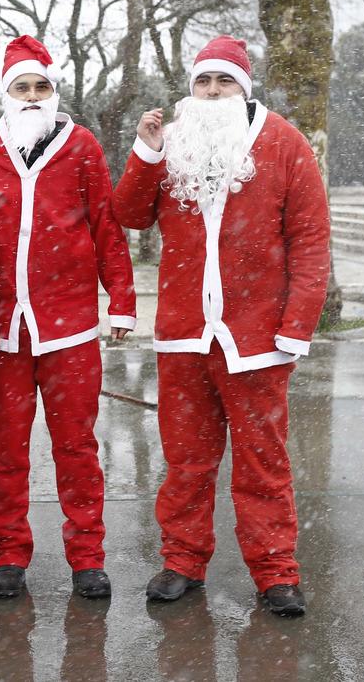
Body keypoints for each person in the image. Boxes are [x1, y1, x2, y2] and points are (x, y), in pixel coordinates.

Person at [112, 35, 331, 616]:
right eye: (203, 81)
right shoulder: (171, 141)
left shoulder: (284, 142)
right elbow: (129, 214)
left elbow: (310, 239)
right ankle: (182, 561)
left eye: (224, 81)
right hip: (184, 332)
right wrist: (146, 152)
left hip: (257, 338)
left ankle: (276, 572)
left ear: (243, 87)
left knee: (263, 463)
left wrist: (296, 325)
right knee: (186, 461)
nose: (212, 92)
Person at [0, 35, 137, 601]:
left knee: (77, 446)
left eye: (41, 86)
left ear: (54, 92)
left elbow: (105, 223)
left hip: (70, 325)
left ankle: (87, 557)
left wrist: (122, 298)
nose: (32, 96)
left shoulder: (81, 145)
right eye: (22, 87)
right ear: (5, 94)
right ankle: (10, 554)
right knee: (5, 448)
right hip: (2, 329)